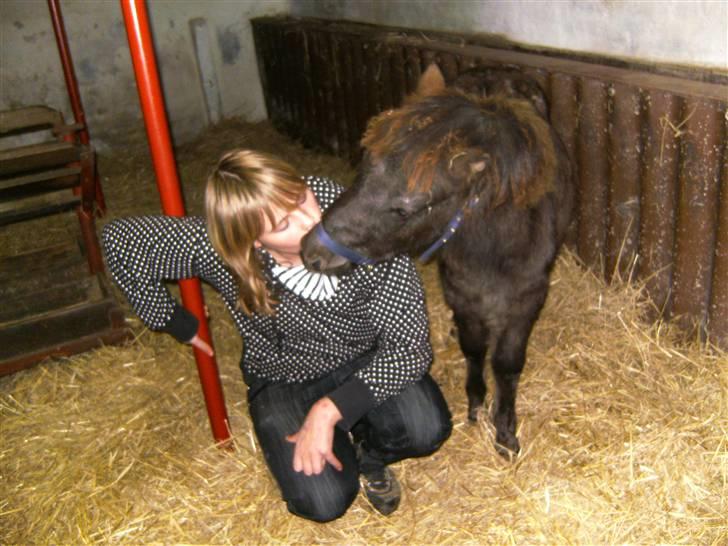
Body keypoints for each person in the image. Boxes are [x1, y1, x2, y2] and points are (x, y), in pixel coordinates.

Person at [101, 149, 452, 522]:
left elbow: (410, 349)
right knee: (324, 502)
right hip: (284, 376)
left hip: (362, 357)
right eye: (284, 225)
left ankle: (371, 455)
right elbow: (121, 240)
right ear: (252, 242)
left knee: (425, 428)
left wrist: (329, 411)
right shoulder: (220, 250)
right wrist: (175, 322)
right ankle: (339, 440)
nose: (313, 219)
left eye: (302, 198)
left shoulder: (363, 226)